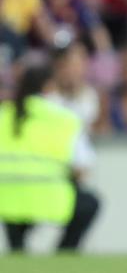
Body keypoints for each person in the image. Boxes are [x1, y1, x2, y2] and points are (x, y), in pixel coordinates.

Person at [0, 62, 100, 253]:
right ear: (48, 86)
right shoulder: (64, 118)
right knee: (89, 203)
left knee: (17, 214)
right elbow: (82, 166)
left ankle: (17, 251)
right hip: (49, 196)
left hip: (6, 198)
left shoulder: (3, 115)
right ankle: (63, 254)